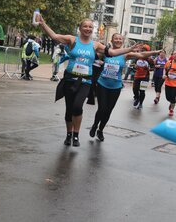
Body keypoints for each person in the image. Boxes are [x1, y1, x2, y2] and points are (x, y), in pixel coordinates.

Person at [35, 14, 143, 147]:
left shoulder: (95, 45)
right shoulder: (72, 39)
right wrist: (43, 23)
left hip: (85, 81)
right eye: (85, 26)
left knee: (77, 106)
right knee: (69, 109)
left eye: (90, 27)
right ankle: (69, 134)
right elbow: (55, 36)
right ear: (80, 28)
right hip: (70, 79)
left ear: (93, 30)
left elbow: (113, 53)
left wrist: (130, 49)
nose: (88, 28)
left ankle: (76, 135)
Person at [89, 35, 160, 142]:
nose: (118, 40)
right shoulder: (106, 51)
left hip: (116, 87)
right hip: (102, 84)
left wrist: (155, 52)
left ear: (122, 42)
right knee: (102, 108)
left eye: (120, 39)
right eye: (116, 39)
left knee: (108, 111)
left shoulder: (125, 54)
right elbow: (93, 52)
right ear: (112, 40)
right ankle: (95, 125)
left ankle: (101, 129)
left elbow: (141, 54)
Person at [163, 51, 176, 117]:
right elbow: (164, 70)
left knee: (173, 97)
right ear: (172, 55)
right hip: (168, 83)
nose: (175, 55)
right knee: (168, 97)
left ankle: (171, 110)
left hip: (175, 85)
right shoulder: (168, 63)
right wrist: (164, 75)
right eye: (174, 54)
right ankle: (171, 102)